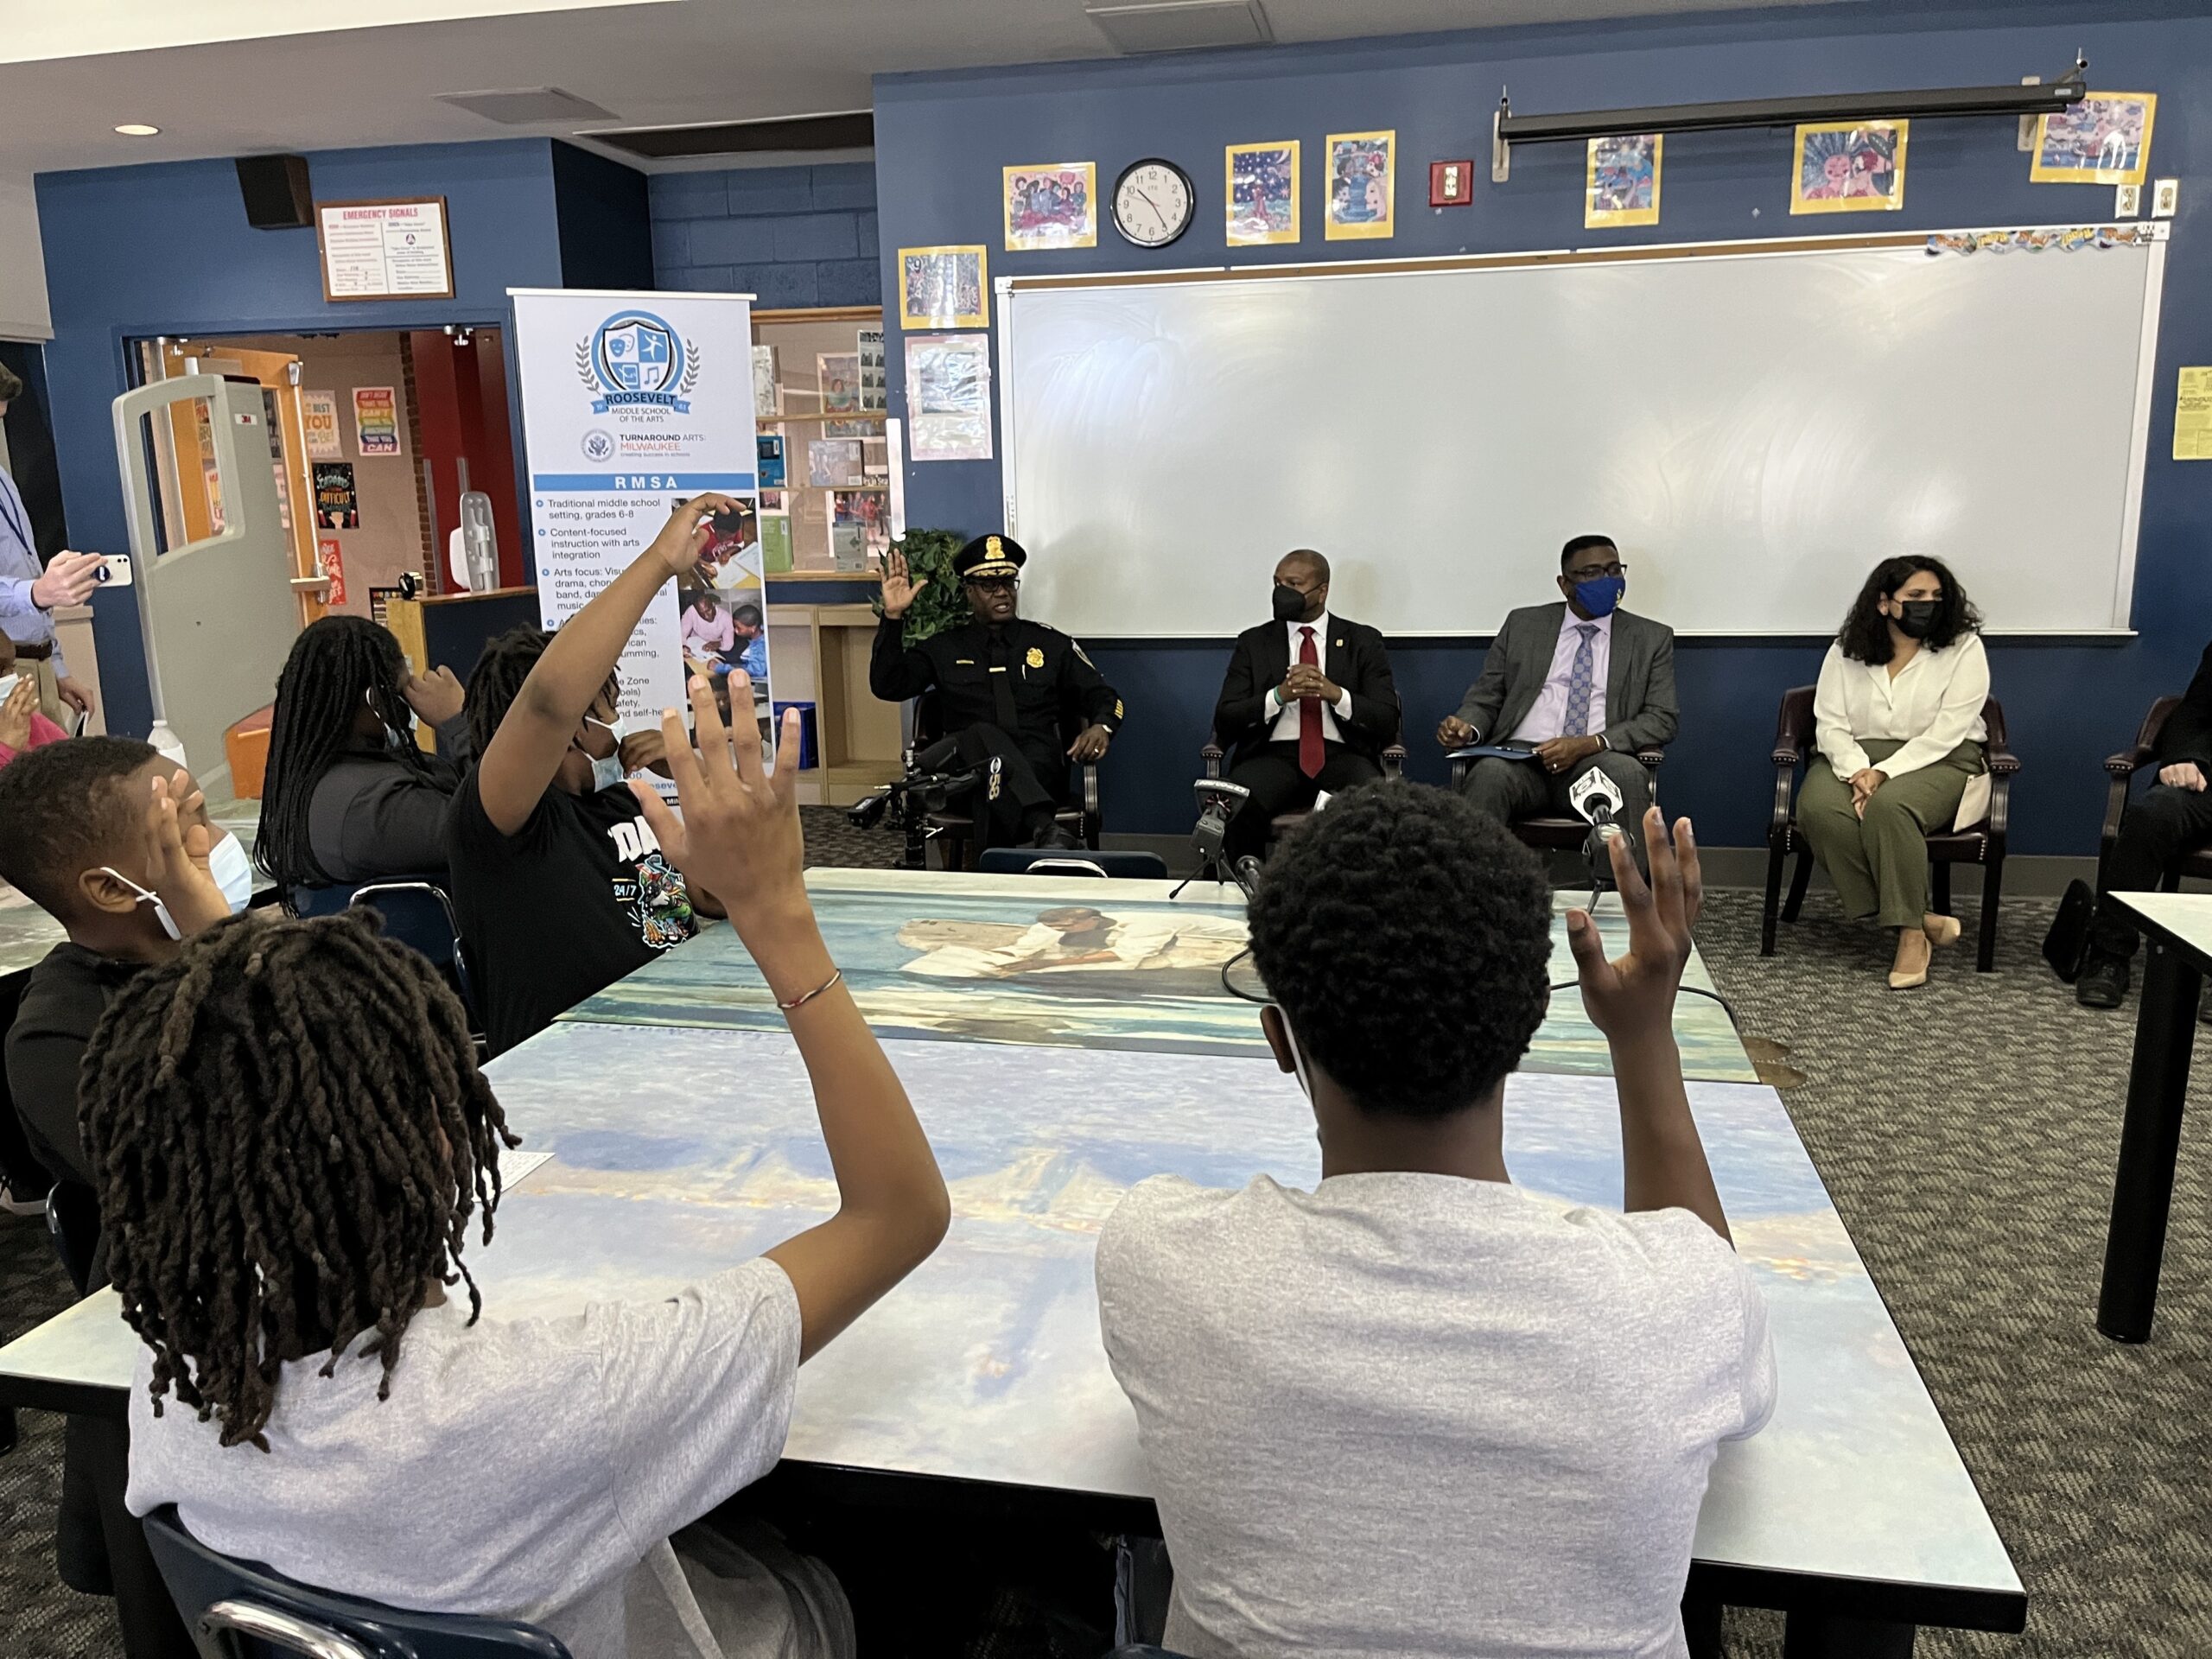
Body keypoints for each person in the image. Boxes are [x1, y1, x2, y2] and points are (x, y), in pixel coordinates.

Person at [92, 683, 951, 1659]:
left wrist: (210, 922)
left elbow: (256, 1083)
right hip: (741, 1630)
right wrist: (777, 910)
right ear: (450, 1147)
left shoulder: (174, 1381)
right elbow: (899, 1213)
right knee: (917, 1557)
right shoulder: (569, 1393)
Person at [1095, 789, 1772, 1659]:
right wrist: (1642, 1039)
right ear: (1527, 1024)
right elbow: (1699, 1264)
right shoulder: (1676, 1299)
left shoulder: (1159, 1258)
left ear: (1278, 1039)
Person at [0, 737, 247, 1659]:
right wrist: (216, 942)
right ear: (110, 890)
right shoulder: (61, 1036)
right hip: (180, 1360)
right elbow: (238, 1167)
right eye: (185, 824)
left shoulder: (254, 951)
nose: (213, 836)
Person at [445, 495, 729, 1056]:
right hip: (568, 1069)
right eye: (607, 706)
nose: (616, 726)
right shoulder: (496, 826)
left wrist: (696, 783)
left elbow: (717, 897)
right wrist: (658, 565)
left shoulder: (626, 800)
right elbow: (547, 701)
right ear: (574, 728)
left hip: (672, 1042)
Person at [1797, 556, 1989, 990]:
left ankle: (1910, 937)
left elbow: (1949, 730)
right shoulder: (1847, 648)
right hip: (1854, 757)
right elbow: (1829, 724)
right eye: (1916, 597)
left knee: (1890, 808)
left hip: (1944, 758)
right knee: (1818, 809)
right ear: (1884, 604)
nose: (1930, 605)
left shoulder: (1964, 647)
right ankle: (1918, 918)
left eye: (1937, 597)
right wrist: (1858, 770)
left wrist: (1882, 774)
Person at [870, 535, 1122, 850]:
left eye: (1008, 582)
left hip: (1036, 770)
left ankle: (990, 883)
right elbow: (888, 685)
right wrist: (892, 618)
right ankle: (1046, 829)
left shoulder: (1051, 645)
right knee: (980, 738)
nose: (1002, 592)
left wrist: (1102, 727)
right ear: (969, 591)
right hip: (962, 773)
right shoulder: (944, 647)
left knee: (993, 780)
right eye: (989, 585)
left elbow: (1103, 695)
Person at [1439, 535, 1677, 864]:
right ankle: (1475, 899)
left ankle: (1629, 904)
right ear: (1565, 584)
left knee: (1628, 774)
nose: (1607, 581)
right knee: (1488, 776)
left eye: (1613, 570)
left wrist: (1588, 744)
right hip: (1522, 759)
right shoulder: (1523, 625)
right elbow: (1487, 696)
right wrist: (1468, 726)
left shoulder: (1651, 638)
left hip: (1596, 761)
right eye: (1592, 573)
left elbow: (1662, 718)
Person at [255, 615, 471, 901]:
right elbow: (502, 823)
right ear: (376, 700)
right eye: (402, 693)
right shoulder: (378, 805)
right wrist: (459, 721)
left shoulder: (306, 787)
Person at [1211, 550, 1400, 863]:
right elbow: (1226, 716)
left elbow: (1386, 718)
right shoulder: (1254, 642)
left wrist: (1336, 694)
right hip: (1272, 755)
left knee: (1376, 803)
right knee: (1237, 802)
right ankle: (1245, 892)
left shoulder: (1362, 641)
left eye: (1293, 584)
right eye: (1277, 582)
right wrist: (1279, 696)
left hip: (1342, 754)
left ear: (1322, 591)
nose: (1281, 591)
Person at [2076, 639, 2212, 1008]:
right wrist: (2186, 758)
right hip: (2207, 779)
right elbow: (2193, 712)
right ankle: (2109, 954)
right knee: (2153, 813)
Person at [0, 361, 100, 721]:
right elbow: (32, 590)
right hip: (5, 677)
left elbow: (24, 569)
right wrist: (36, 593)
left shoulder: (3, 481)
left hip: (34, 666)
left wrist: (55, 668)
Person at [0, 628, 68, 766]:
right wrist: (6, 750)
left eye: (11, 669)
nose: (9, 679)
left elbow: (73, 763)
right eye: (1, 673)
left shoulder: (32, 723)